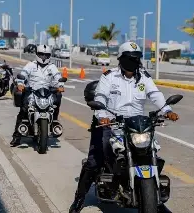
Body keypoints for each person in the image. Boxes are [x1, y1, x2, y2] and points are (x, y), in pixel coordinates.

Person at [69, 42, 179, 213]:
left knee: (152, 154)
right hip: (111, 123)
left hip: (136, 125)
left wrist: (167, 110)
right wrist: (103, 117)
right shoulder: (109, 77)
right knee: (93, 161)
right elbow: (100, 97)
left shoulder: (144, 77)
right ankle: (79, 199)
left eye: (137, 59)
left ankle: (154, 197)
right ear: (121, 59)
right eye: (130, 58)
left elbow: (155, 94)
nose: (134, 62)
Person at [10, 44, 65, 146]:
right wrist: (20, 84)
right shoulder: (31, 65)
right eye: (41, 54)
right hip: (31, 92)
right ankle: (16, 137)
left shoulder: (52, 66)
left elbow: (58, 77)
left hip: (46, 93)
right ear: (37, 54)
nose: (43, 57)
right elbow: (23, 74)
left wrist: (61, 85)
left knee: (57, 100)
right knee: (23, 111)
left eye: (46, 55)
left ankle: (54, 122)